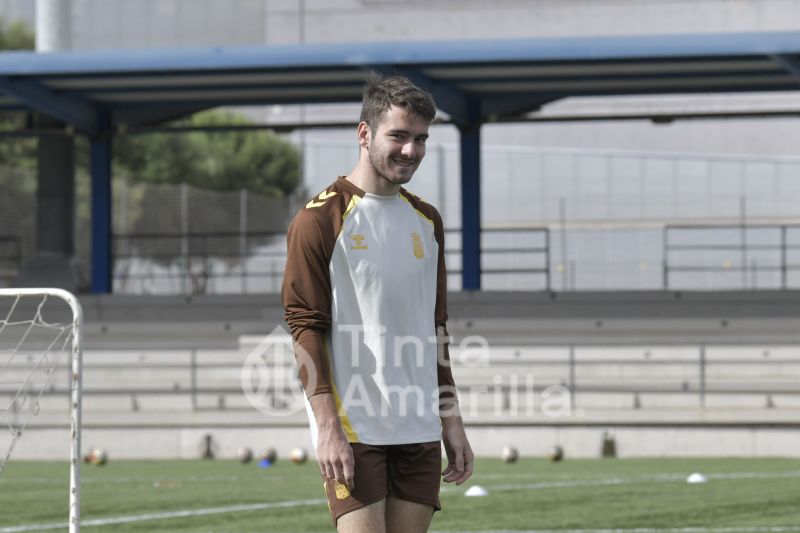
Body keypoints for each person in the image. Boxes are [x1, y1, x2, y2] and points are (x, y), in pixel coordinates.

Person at [282, 72, 473, 533]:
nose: (411, 151)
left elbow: (437, 327)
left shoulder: (427, 220)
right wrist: (326, 426)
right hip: (354, 429)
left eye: (421, 139)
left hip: (419, 428)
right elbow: (304, 327)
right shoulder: (318, 220)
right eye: (399, 136)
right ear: (364, 134)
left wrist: (452, 418)